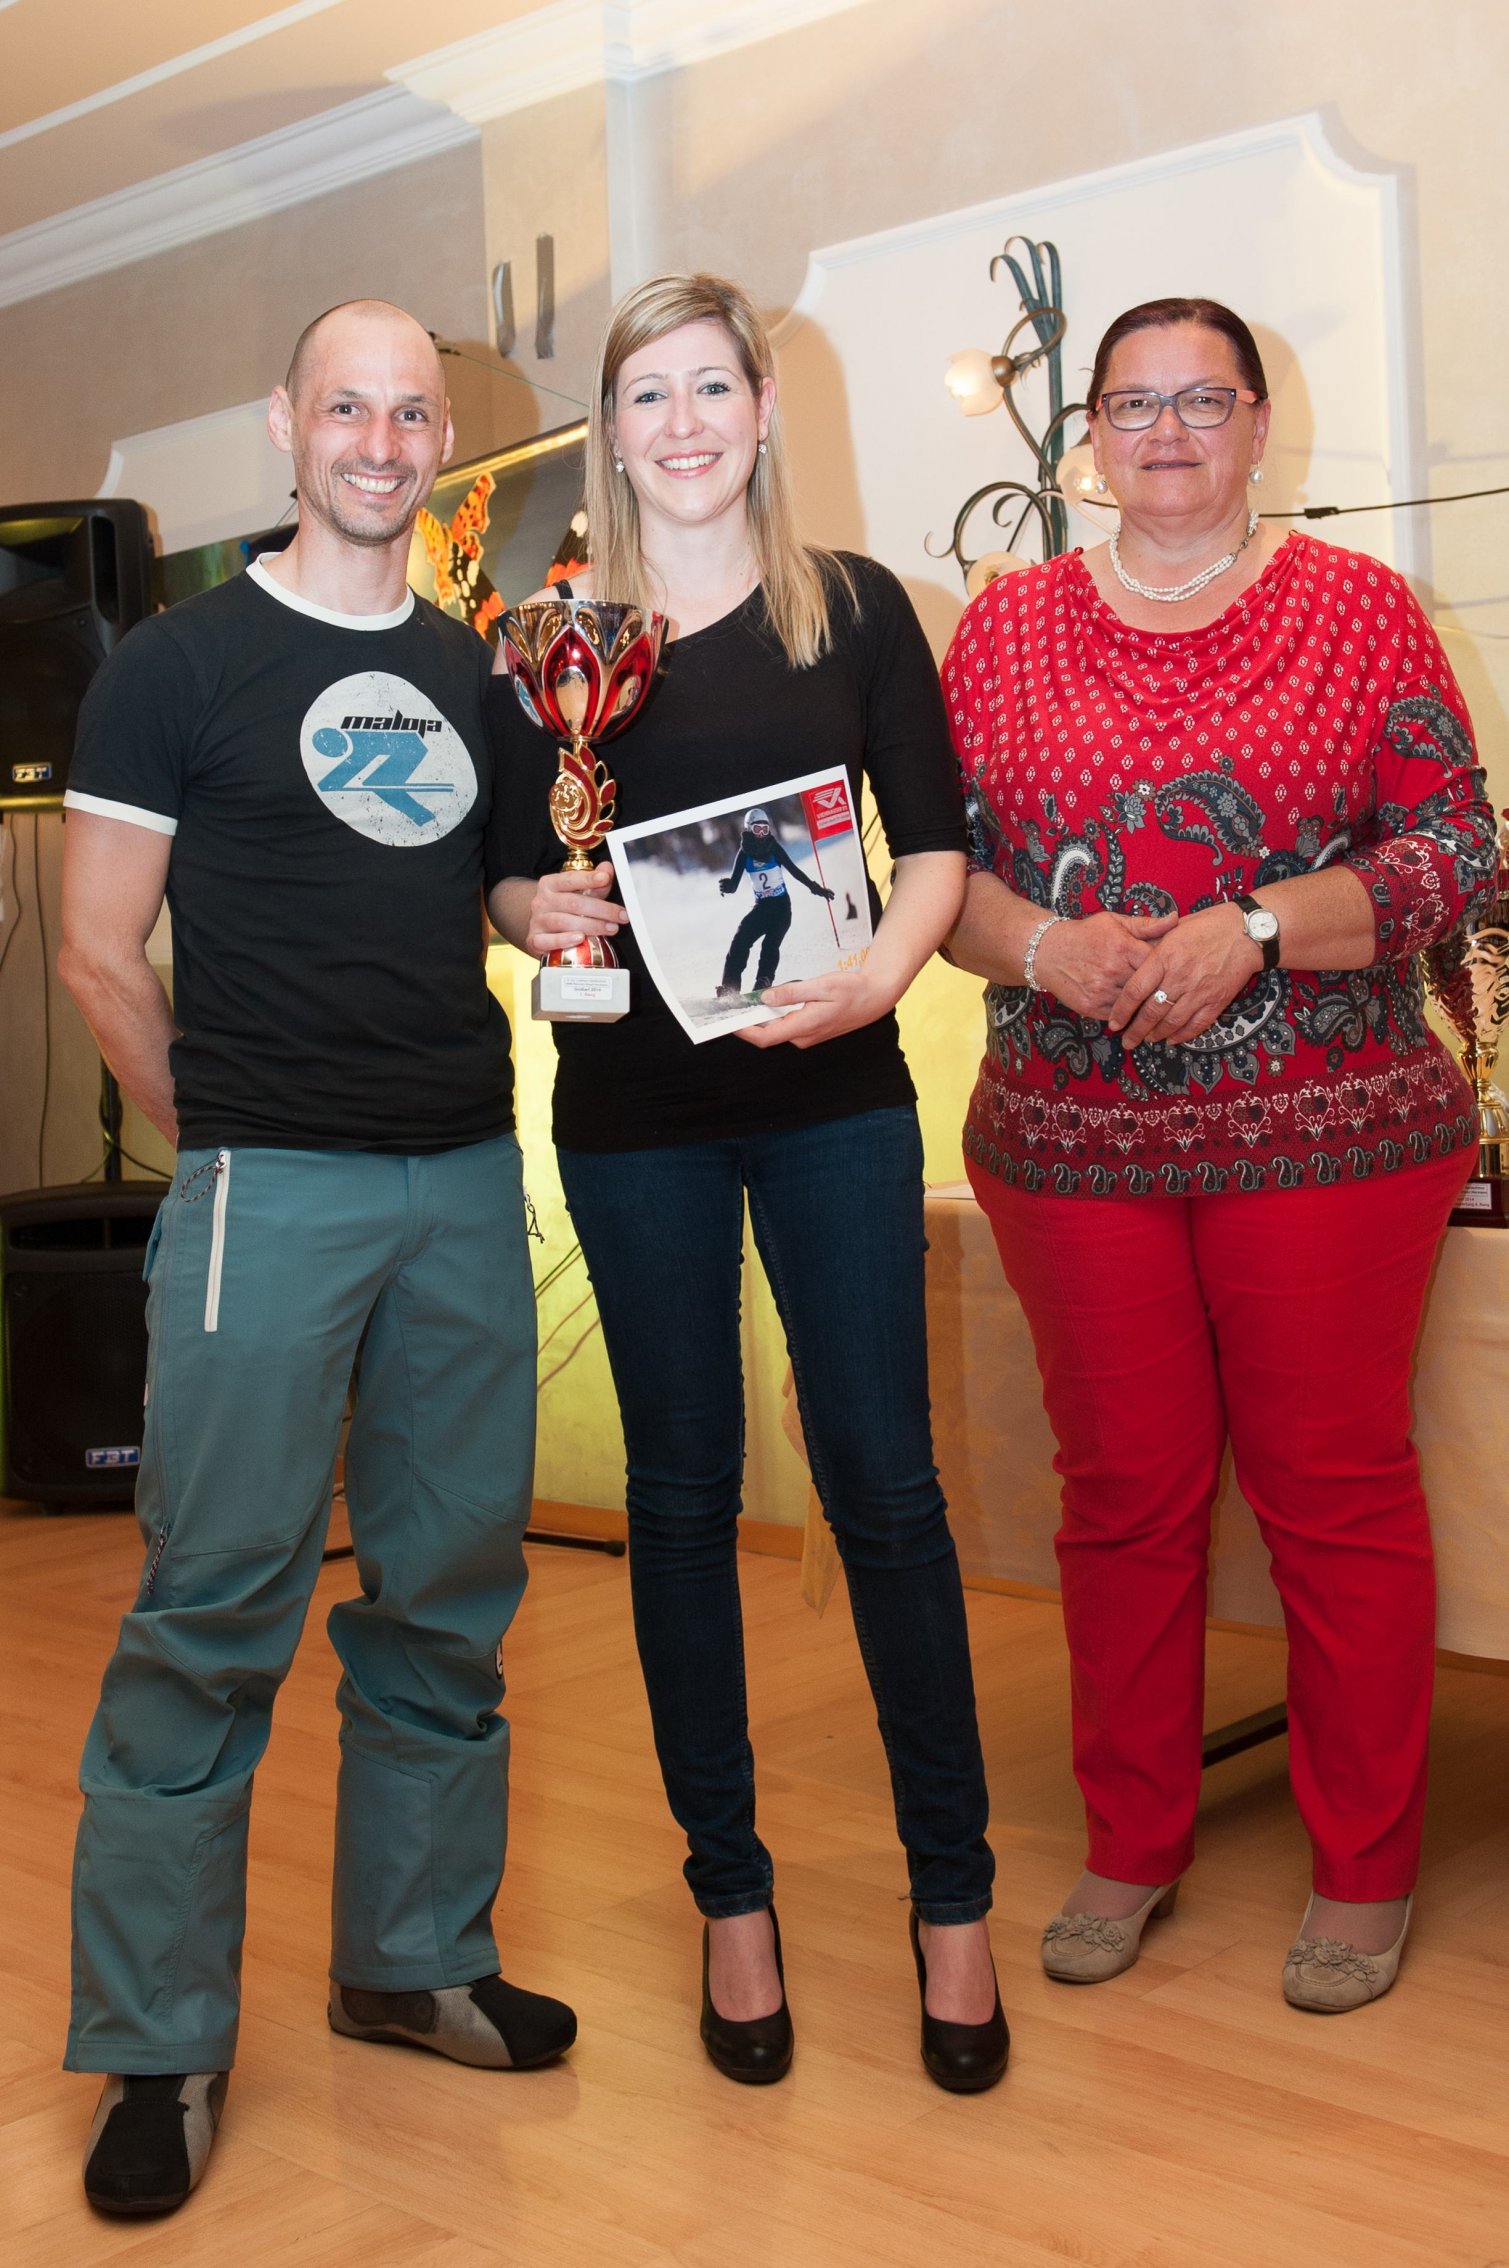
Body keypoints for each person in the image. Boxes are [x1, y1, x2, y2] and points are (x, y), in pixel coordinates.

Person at [58, 300, 575, 2219]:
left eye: (409, 411)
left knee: (446, 1585)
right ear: (287, 423)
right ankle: (158, 2039)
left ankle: (409, 1956)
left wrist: (554, 907)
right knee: (214, 1607)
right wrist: (221, 1137)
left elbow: (494, 881)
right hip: (268, 1186)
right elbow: (97, 947)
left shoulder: (470, 671)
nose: (378, 438)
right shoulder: (175, 663)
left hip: (462, 1177)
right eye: (345, 405)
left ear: (440, 440)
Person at [943, 296, 1497, 2012]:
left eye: (1202, 399)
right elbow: (932, 874)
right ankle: (1131, 1839)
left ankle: (1362, 1868)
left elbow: (1452, 853)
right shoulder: (1001, 626)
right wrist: (1048, 947)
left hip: (1328, 1139)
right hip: (1066, 1138)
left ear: (1257, 424)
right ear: (1086, 440)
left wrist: (1253, 925)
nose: (1166, 432)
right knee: (1119, 1499)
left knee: (1332, 1494)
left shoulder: (1358, 608)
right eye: (1131, 403)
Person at [491, 272, 1006, 2092]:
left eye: (712, 387)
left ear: (762, 411)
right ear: (610, 432)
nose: (684, 424)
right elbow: (509, 871)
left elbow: (932, 850)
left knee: (886, 1489)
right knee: (682, 1496)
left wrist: (877, 976)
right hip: (631, 1118)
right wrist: (534, 906)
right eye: (648, 395)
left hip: (835, 1099)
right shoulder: (548, 641)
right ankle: (731, 1896)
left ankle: (953, 1899)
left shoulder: (849, 608)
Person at [717, 805, 836, 998]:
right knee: (740, 942)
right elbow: (734, 885)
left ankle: (763, 981)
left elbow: (795, 871)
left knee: (770, 946)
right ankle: (729, 988)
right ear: (749, 829)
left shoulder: (774, 848)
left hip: (781, 909)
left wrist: (815, 888)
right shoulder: (744, 853)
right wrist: (727, 886)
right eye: (757, 829)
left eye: (765, 829)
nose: (762, 833)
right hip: (761, 909)